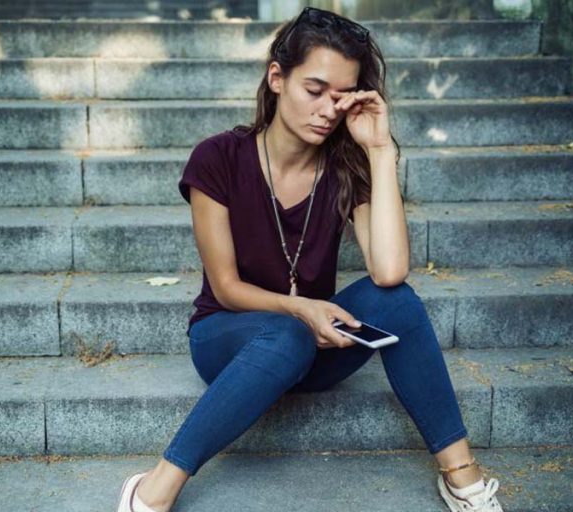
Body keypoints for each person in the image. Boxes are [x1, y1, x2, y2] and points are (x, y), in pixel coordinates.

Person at [117, 7, 503, 512]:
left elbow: (388, 271)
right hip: (227, 337)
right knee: (287, 332)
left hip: (315, 345)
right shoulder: (218, 159)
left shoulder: (345, 167)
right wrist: (302, 309)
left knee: (399, 302)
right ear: (277, 78)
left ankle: (460, 475)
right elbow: (227, 286)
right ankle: (155, 487)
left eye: (341, 96)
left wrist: (381, 150)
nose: (328, 109)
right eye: (315, 90)